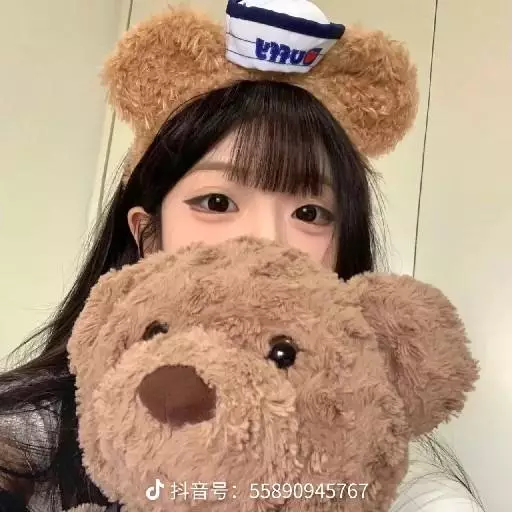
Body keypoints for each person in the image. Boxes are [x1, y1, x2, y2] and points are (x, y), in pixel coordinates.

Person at [0, 1, 485, 511]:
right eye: (216, 202)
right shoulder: (29, 439)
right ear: (148, 237)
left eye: (311, 213)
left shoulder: (378, 466)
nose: (267, 241)